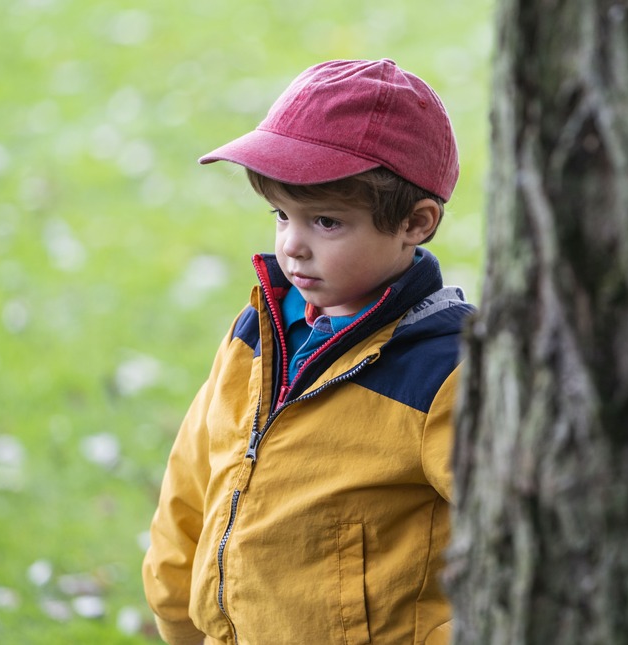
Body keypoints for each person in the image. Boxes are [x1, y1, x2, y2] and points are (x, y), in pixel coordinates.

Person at [141, 58, 474, 645]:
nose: (292, 245)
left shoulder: (446, 372)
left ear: (415, 223)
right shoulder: (256, 331)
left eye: (325, 222)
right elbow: (191, 481)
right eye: (281, 215)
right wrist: (175, 611)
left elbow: (522, 542)